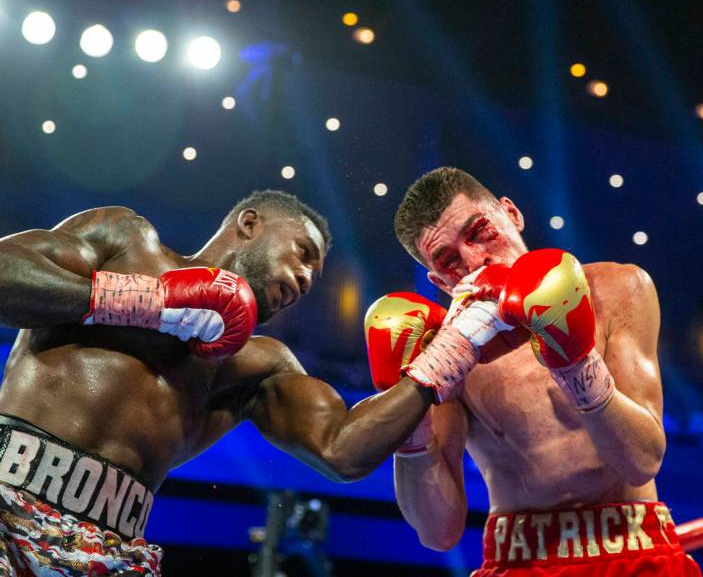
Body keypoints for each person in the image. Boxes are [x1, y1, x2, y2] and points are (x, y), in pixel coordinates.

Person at [0, 189, 481, 576]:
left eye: (315, 272)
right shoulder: (127, 241)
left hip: (110, 550)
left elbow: (340, 451)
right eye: (303, 252)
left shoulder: (259, 365)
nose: (308, 278)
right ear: (249, 224)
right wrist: (148, 302)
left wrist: (438, 363)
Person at [366, 167, 701, 575]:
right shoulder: (447, 353)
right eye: (449, 261)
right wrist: (410, 421)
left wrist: (575, 361)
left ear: (512, 213)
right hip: (520, 558)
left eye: (478, 232)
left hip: (632, 550)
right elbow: (439, 533)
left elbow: (642, 461)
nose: (474, 260)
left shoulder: (617, 288)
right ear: (438, 281)